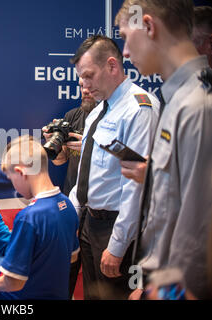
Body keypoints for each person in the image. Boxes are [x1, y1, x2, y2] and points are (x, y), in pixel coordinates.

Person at [116, 0, 212, 300]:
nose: (125, 53)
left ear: (148, 26)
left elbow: (199, 239)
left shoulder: (198, 107)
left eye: (125, 38)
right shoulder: (178, 99)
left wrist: (160, 292)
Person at [67, 35, 159, 299]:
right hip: (88, 224)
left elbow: (135, 187)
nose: (83, 85)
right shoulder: (96, 112)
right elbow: (87, 175)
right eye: (80, 79)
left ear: (112, 66)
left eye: (88, 76)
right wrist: (71, 218)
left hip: (118, 229)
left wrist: (118, 246)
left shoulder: (139, 109)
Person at [0, 135, 79, 299]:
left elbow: (14, 282)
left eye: (11, 179)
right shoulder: (67, 205)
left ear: (20, 172)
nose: (14, 187)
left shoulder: (29, 217)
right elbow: (72, 256)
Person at [43, 78, 96, 298]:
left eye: (89, 87)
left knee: (95, 277)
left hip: (98, 210)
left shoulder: (110, 118)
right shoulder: (73, 116)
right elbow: (60, 161)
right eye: (81, 86)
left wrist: (89, 146)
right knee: (64, 275)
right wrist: (53, 143)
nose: (84, 91)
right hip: (71, 207)